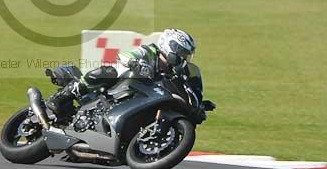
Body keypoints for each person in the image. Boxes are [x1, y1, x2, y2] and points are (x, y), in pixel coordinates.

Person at [44, 28, 214, 117]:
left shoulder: (174, 71)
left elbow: (183, 85)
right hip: (120, 86)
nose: (183, 57)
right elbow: (125, 56)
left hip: (140, 99)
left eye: (186, 54)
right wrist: (135, 63)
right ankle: (62, 97)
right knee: (109, 71)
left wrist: (197, 103)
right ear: (169, 46)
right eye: (181, 52)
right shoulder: (149, 52)